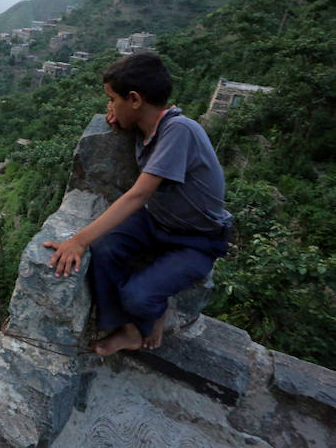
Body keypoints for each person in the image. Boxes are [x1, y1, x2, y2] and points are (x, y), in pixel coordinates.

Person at [43, 51, 230, 356]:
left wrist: (77, 240)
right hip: (157, 222)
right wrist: (121, 118)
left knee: (139, 297)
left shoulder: (179, 130)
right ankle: (128, 330)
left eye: (113, 99)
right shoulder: (148, 129)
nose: (109, 107)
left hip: (197, 241)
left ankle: (153, 313)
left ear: (134, 99)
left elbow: (139, 194)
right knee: (102, 248)